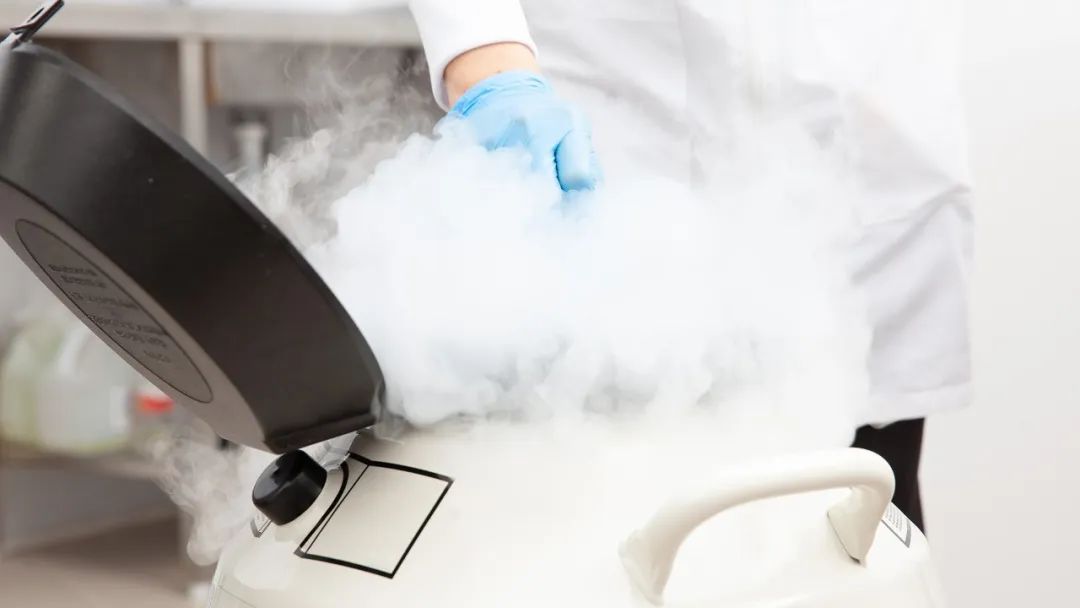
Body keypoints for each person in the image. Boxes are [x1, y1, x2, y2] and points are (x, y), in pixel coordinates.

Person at [407, 0, 972, 531]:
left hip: (868, 199)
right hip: (616, 183)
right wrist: (481, 52)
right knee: (612, 543)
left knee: (861, 546)